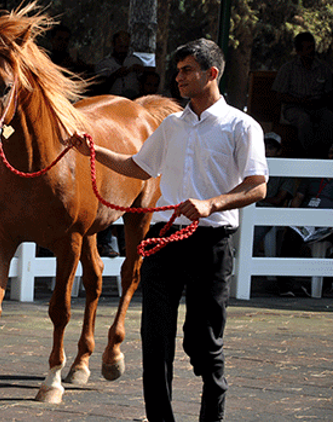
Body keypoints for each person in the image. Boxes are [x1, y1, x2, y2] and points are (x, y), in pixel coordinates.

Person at [71, 38, 268, 422]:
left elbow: (258, 185)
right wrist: (93, 152)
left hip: (211, 240)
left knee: (202, 342)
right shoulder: (172, 125)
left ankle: (212, 415)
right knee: (154, 337)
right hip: (164, 238)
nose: (177, 78)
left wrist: (212, 203)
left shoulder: (241, 126)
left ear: (211, 74)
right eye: (177, 71)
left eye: (186, 70)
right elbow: (139, 166)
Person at [278, 142, 333, 296]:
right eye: (331, 152)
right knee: (290, 236)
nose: (332, 155)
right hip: (306, 222)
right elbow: (298, 198)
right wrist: (292, 218)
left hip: (329, 226)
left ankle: (325, 286)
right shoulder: (314, 175)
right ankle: (286, 287)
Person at [272, 31, 333, 158]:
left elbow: (329, 93)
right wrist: (299, 101)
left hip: (318, 107)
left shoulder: (324, 68)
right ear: (299, 51)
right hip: (294, 107)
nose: (312, 52)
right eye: (308, 48)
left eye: (313, 47)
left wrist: (320, 101)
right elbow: (279, 95)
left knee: (329, 116)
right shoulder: (288, 69)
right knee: (303, 119)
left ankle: (323, 151)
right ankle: (310, 154)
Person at [95, 31, 148, 99]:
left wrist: (142, 71)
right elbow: (99, 88)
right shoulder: (104, 64)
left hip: (133, 98)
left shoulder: (135, 61)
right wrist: (115, 75)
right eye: (120, 47)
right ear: (113, 44)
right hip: (111, 99)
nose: (123, 50)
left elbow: (144, 83)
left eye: (126, 47)